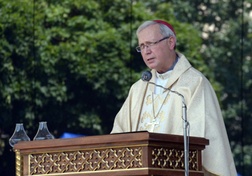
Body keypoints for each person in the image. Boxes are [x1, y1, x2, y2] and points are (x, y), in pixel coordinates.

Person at [110, 20, 237, 175]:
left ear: (171, 42)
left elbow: (201, 138)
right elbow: (119, 133)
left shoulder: (194, 83)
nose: (146, 51)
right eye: (142, 46)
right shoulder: (138, 88)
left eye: (150, 43)